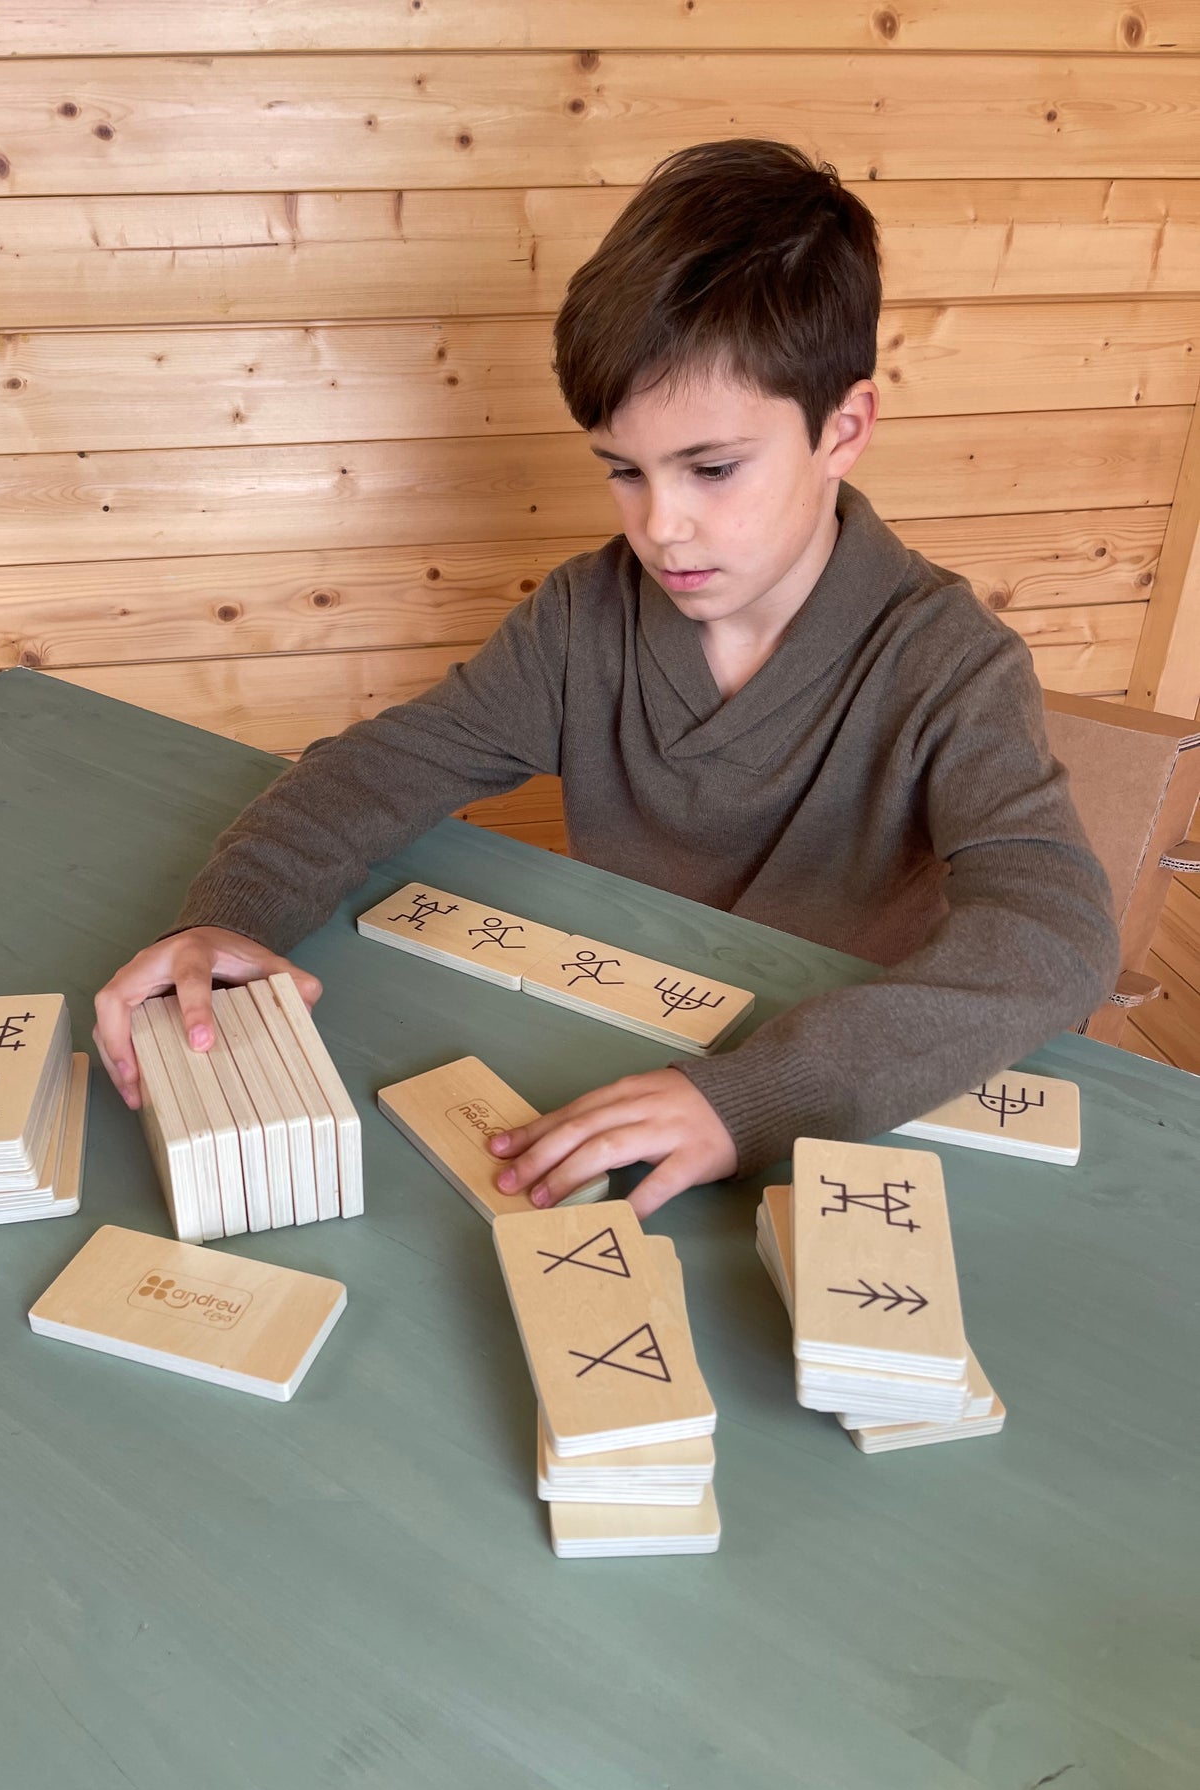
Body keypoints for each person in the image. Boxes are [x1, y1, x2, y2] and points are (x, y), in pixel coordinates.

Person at [92, 137, 1118, 1219]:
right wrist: (225, 918)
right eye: (623, 472)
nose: (659, 527)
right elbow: (376, 771)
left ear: (842, 428)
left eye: (711, 469)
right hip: (617, 1048)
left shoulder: (948, 662)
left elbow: (1053, 932)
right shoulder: (581, 620)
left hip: (850, 1106)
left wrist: (753, 1098)